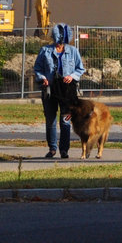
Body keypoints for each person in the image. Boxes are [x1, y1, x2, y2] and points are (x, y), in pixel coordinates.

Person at [34, 23, 85, 159]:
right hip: (50, 90)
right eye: (57, 40)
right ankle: (52, 149)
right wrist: (43, 78)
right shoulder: (45, 51)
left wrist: (71, 76)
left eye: (62, 40)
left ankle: (64, 150)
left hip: (67, 92)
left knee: (66, 120)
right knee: (50, 120)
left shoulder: (73, 51)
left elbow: (80, 69)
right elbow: (37, 68)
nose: (59, 43)